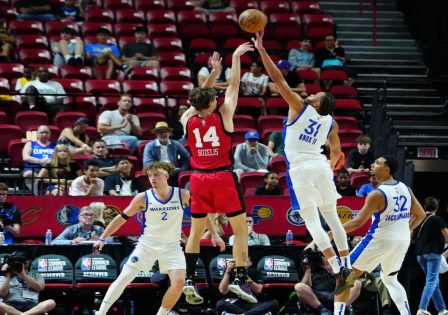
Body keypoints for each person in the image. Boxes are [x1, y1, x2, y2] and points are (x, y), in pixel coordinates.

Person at [253, 31, 351, 282]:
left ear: (317, 104)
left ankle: (336, 268)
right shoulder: (331, 122)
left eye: (317, 95)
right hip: (320, 166)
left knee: (312, 223)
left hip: (301, 168)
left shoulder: (299, 106)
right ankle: (347, 261)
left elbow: (277, 78)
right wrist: (329, 167)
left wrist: (262, 50)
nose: (313, 93)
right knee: (332, 217)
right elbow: (338, 151)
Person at [92, 162, 224, 315]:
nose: (152, 178)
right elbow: (121, 218)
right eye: (150, 175)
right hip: (147, 245)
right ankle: (101, 312)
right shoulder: (143, 197)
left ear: (166, 176)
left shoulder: (182, 194)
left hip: (172, 246)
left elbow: (203, 213)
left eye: (156, 175)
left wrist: (214, 235)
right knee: (124, 278)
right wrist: (102, 238)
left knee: (179, 283)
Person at [180, 43, 254, 305]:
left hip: (197, 178)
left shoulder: (187, 118)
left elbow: (197, 97)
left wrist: (213, 72)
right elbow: (233, 86)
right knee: (240, 230)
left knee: (194, 233)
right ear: (213, 102)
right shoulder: (223, 113)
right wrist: (234, 59)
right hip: (222, 176)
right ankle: (239, 278)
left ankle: (190, 279)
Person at [331, 155, 426, 315]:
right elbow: (421, 214)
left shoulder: (377, 194)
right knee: (390, 279)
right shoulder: (405, 188)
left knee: (344, 277)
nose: (373, 164)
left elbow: (357, 223)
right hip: (401, 241)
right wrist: (404, 228)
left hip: (379, 240)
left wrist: (331, 233)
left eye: (377, 163)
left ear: (387, 169)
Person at [414, 197, 448, 315]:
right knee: (431, 281)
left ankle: (441, 309)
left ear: (424, 206)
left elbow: (411, 236)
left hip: (419, 254)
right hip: (433, 253)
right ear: (436, 208)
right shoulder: (438, 219)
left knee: (434, 281)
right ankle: (422, 308)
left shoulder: (419, 219)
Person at [295, 247, 362, 315]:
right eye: (321, 255)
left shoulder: (338, 265)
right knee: (299, 286)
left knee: (357, 283)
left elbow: (344, 280)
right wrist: (308, 270)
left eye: (324, 255)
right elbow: (306, 286)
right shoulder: (313, 267)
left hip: (336, 294)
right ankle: (323, 310)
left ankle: (342, 310)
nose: (322, 257)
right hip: (316, 296)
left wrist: (329, 267)